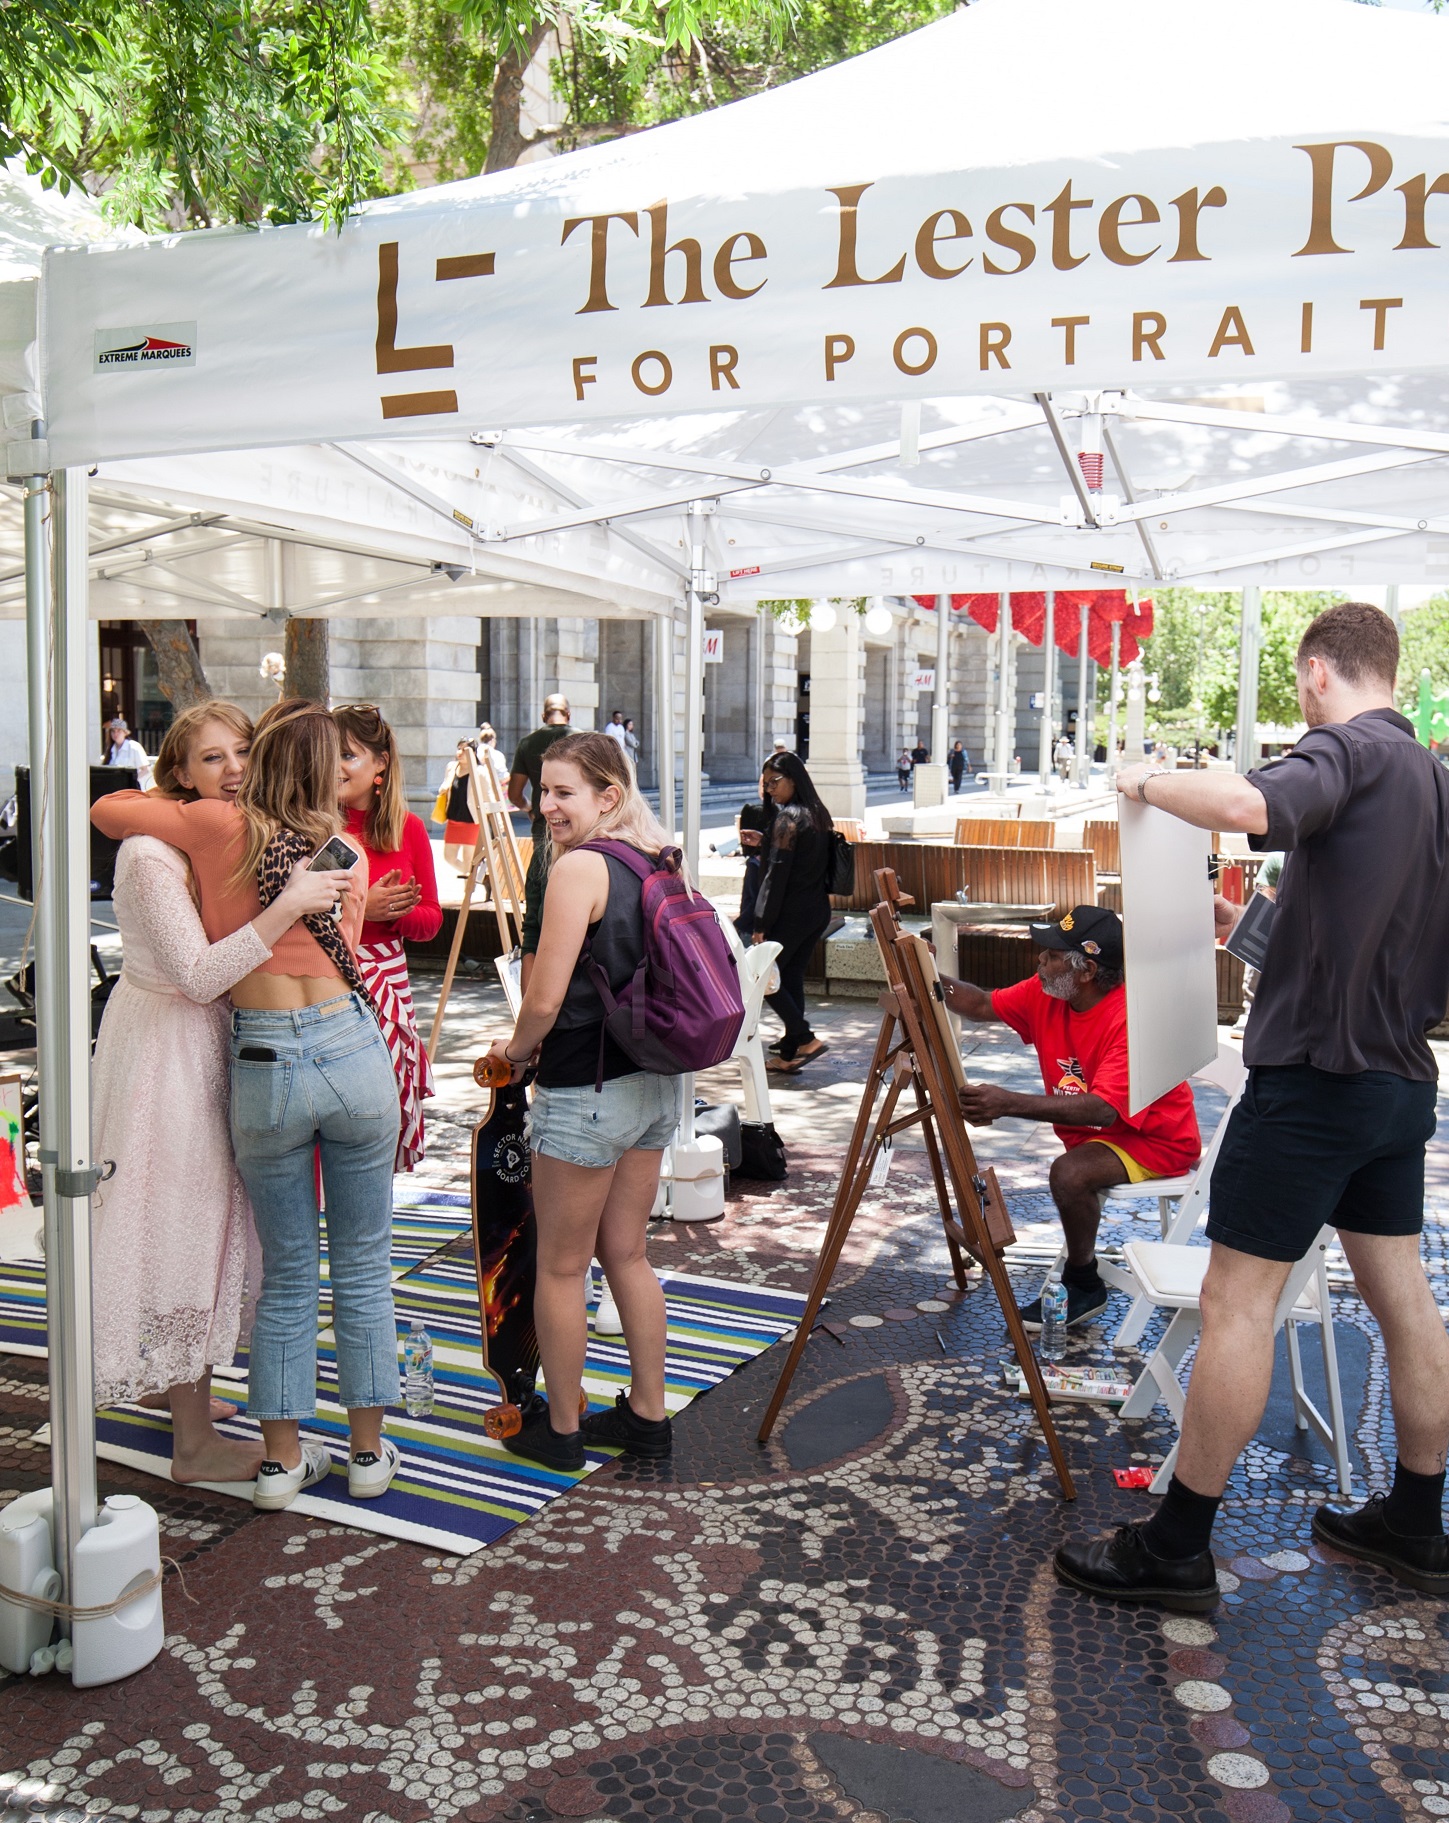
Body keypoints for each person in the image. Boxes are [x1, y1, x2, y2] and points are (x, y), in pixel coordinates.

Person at [1058, 602, 1449, 1610]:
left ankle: (1177, 1545)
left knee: (1237, 1301)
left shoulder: (1349, 750)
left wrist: (1141, 781)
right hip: (1397, 1082)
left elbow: (1242, 805)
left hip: (1313, 1084)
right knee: (1405, 1295)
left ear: (1318, 671)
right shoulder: (1436, 780)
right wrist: (1254, 927)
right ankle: (1415, 1518)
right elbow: (1384, 949)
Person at [92, 699, 403, 1512]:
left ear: (259, 764)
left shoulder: (213, 833)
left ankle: (278, 1460)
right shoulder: (348, 853)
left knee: (291, 1270)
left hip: (263, 1057)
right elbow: (353, 939)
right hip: (347, 1046)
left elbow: (109, 809)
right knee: (365, 1261)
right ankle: (369, 1454)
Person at [480, 732, 680, 1471]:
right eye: (542, 790)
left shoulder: (577, 869)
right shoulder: (656, 859)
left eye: (566, 792)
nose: (548, 806)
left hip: (585, 1086)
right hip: (654, 1082)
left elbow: (544, 996)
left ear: (608, 796)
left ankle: (562, 1430)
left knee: (562, 1268)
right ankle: (647, 1416)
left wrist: (515, 1053)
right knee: (627, 1253)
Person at [941, 907, 1201, 1328]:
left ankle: (1083, 1282)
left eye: (1051, 956)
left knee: (1070, 1174)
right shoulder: (1049, 991)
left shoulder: (1131, 1018)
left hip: (1155, 1139)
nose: (1039, 963)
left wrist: (1008, 1103)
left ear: (1087, 970)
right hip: (1103, 1133)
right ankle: (1082, 1278)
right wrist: (925, 974)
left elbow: (1102, 1109)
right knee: (1073, 1167)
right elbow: (981, 1003)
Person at [335, 704, 443, 1172]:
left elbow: (431, 920)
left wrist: (394, 914)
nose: (334, 766)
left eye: (347, 755)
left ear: (380, 762)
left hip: (389, 980)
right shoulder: (312, 826)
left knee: (382, 1103)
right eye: (326, 754)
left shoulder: (408, 827)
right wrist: (361, 908)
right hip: (329, 976)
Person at [753, 752, 833, 1073]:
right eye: (766, 784)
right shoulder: (817, 814)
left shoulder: (787, 820)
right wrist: (763, 843)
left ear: (793, 779)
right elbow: (801, 861)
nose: (770, 790)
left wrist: (761, 923)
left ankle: (804, 1037)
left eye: (775, 782)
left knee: (763, 977)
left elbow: (776, 877)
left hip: (792, 913)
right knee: (790, 976)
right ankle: (789, 1055)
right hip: (817, 911)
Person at [510, 694, 574, 987]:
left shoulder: (527, 743)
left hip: (543, 833)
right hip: (574, 836)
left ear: (543, 715)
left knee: (537, 919)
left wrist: (531, 809)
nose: (553, 801)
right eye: (548, 790)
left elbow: (514, 792)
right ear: (568, 714)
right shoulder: (582, 740)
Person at [736, 768, 776, 942]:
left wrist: (736, 925)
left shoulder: (756, 864)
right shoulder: (771, 860)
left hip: (751, 931)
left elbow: (754, 903)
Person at [103, 716, 153, 788]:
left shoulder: (134, 747)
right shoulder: (111, 749)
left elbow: (145, 769)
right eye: (113, 731)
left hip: (131, 789)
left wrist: (132, 782)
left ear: (125, 733)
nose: (115, 734)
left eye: (119, 731)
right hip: (114, 788)